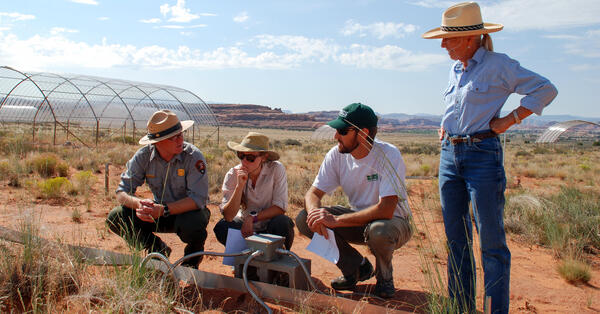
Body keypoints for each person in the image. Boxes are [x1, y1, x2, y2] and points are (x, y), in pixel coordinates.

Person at [422, 2, 558, 313]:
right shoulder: (455, 68)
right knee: (456, 241)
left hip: (482, 156)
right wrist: (445, 128)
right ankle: (460, 307)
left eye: (448, 39)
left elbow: (546, 89)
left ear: (470, 38)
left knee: (492, 244)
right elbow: (457, 107)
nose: (443, 45)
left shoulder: (499, 65)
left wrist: (510, 120)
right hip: (449, 157)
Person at [295, 103, 413, 299]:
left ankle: (384, 279)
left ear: (363, 133)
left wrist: (336, 221)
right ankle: (356, 269)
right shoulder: (336, 155)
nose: (336, 137)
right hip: (358, 221)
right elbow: (312, 194)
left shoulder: (389, 155)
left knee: (379, 230)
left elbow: (386, 209)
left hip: (393, 223)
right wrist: (315, 213)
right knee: (304, 218)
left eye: (342, 131)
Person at [106, 109, 211, 268]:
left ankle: (191, 263)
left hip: (185, 214)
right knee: (117, 217)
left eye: (180, 134)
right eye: (173, 137)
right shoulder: (143, 157)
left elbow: (198, 199)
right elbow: (122, 192)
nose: (180, 139)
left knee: (195, 222)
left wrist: (164, 210)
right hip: (156, 213)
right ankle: (156, 249)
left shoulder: (193, 157)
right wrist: (139, 204)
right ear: (157, 141)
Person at [213, 132, 294, 250]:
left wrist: (252, 218)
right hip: (244, 228)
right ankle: (241, 258)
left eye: (250, 158)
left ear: (264, 157)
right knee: (222, 226)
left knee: (283, 222)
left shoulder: (276, 169)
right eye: (241, 156)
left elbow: (280, 207)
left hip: (269, 226)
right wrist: (239, 186)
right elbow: (228, 216)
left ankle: (278, 260)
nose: (244, 161)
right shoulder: (233, 174)